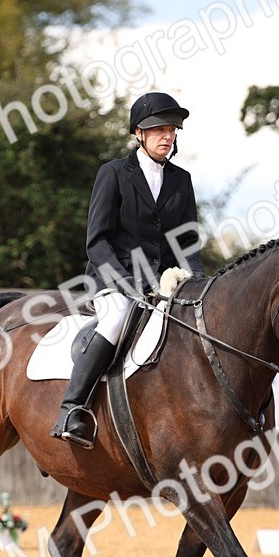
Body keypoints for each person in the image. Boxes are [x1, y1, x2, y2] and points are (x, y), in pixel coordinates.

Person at [51, 91, 204, 448]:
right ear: (139, 133)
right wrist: (126, 283)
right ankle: (72, 409)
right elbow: (97, 241)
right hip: (113, 280)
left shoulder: (181, 180)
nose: (167, 136)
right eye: (159, 129)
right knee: (117, 316)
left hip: (164, 284)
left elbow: (187, 242)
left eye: (172, 129)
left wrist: (197, 280)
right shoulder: (114, 173)